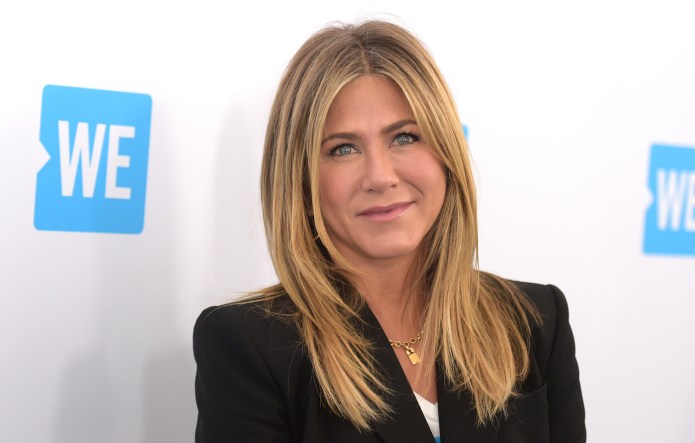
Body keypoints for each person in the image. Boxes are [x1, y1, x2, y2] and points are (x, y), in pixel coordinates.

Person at [193, 19, 586, 443]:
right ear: (301, 181)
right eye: (343, 149)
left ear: (446, 154)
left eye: (404, 137)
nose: (380, 177)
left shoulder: (535, 321)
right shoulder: (250, 346)